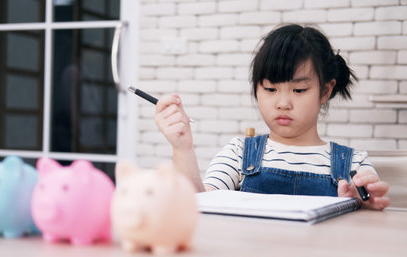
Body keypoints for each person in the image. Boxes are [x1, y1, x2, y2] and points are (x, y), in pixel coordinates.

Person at [154, 24, 390, 210]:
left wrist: (362, 206)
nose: (283, 103)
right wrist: (182, 148)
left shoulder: (354, 165)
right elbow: (198, 202)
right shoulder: (238, 153)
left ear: (325, 91)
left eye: (299, 90)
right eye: (270, 89)